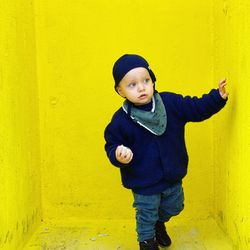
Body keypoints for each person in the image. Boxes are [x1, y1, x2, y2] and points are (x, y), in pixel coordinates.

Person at [104, 54, 228, 250]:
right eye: (132, 85)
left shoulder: (169, 103)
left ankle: (157, 224)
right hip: (142, 180)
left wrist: (216, 98)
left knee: (175, 206)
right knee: (146, 213)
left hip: (172, 173)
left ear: (153, 80)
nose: (141, 87)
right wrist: (118, 153)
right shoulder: (121, 120)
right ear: (120, 91)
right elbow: (112, 144)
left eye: (146, 80)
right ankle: (147, 241)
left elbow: (195, 108)